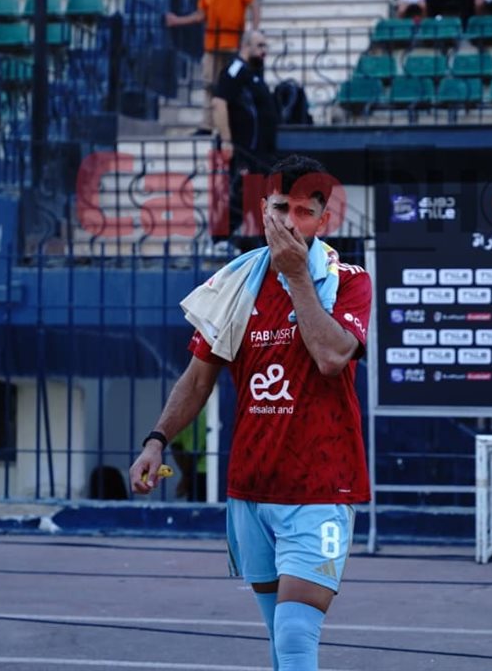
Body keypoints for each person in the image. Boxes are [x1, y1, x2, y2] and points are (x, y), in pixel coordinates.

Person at [130, 154, 372, 671]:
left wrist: (297, 280)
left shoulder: (349, 281)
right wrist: (156, 439)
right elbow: (197, 379)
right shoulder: (235, 286)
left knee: (294, 632)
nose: (289, 223)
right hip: (252, 491)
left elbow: (332, 357)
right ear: (262, 209)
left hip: (319, 490)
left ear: (322, 219)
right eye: (280, 208)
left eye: (304, 212)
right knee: (279, 641)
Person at [165, 0, 260, 134]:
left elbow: (254, 5)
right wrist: (178, 21)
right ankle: (207, 124)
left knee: (235, 84)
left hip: (234, 44)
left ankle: (234, 122)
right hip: (212, 44)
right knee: (210, 84)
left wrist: (253, 31)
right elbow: (201, 15)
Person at [213, 31, 277, 246]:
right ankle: (218, 240)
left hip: (260, 152)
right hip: (243, 148)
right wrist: (227, 140)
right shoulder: (235, 70)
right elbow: (219, 103)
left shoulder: (254, 73)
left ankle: (264, 242)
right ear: (245, 46)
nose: (263, 51)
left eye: (265, 46)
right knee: (240, 194)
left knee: (257, 196)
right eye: (259, 46)